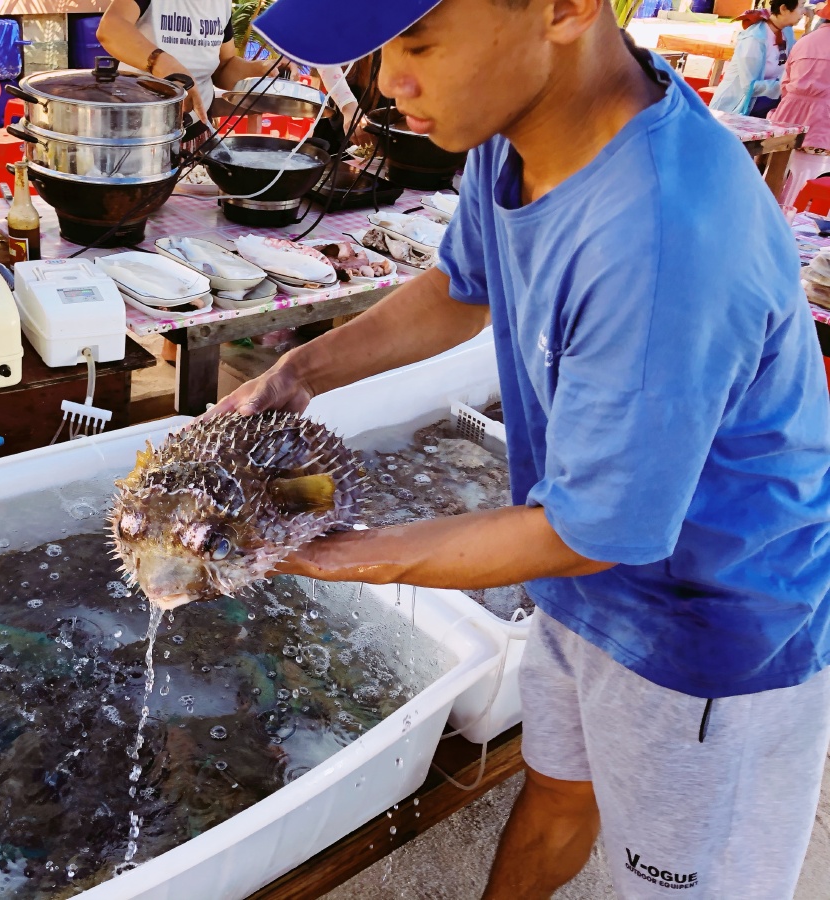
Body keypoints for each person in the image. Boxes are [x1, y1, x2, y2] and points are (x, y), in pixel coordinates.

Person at [210, 0, 830, 897]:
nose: (388, 83)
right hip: (585, 579)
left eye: (419, 42)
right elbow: (462, 287)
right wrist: (299, 372)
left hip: (711, 630)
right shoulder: (518, 131)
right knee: (559, 789)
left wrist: (337, 556)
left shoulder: (664, 237)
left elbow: (593, 531)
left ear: (564, 10)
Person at [96, 0, 289, 124]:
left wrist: (262, 70)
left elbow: (224, 66)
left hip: (195, 129)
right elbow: (110, 28)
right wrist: (166, 66)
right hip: (137, 129)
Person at [773, 5, 830, 203]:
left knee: (777, 179)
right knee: (808, 191)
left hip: (786, 119)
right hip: (822, 125)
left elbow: (785, 84)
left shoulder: (805, 41)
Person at [710, 0, 803, 116]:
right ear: (783, 8)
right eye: (801, 6)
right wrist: (785, 87)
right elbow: (749, 87)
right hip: (735, 108)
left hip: (766, 104)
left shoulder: (786, 31)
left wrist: (808, 26)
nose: (804, 12)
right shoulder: (755, 38)